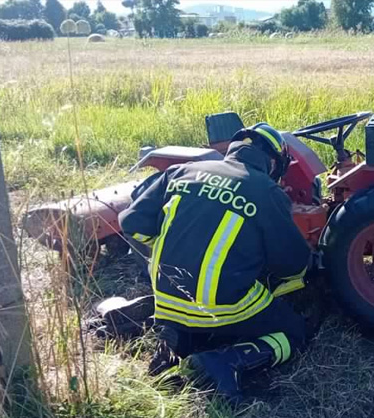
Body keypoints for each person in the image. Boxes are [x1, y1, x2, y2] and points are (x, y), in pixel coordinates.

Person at [118, 123, 311, 401]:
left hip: (167, 297)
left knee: (198, 318)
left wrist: (171, 249)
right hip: (223, 304)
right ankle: (227, 361)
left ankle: (180, 337)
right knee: (293, 332)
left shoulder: (180, 171)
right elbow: (293, 265)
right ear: (272, 163)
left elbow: (131, 223)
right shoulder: (267, 192)